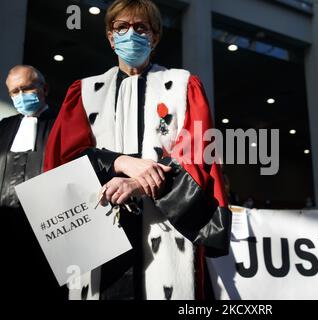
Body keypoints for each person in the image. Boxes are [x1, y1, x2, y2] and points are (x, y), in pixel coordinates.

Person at [44, 0, 231, 300]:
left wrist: (138, 183)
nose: (131, 33)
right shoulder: (85, 92)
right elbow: (62, 161)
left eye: (141, 27)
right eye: (122, 27)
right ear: (110, 36)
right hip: (98, 228)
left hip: (166, 225)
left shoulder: (183, 86)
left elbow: (197, 153)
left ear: (154, 36)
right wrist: (119, 163)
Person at [0, 65, 66, 299]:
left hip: (49, 229)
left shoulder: (64, 124)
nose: (20, 96)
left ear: (44, 89)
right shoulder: (4, 128)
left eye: (26, 88)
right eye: (14, 92)